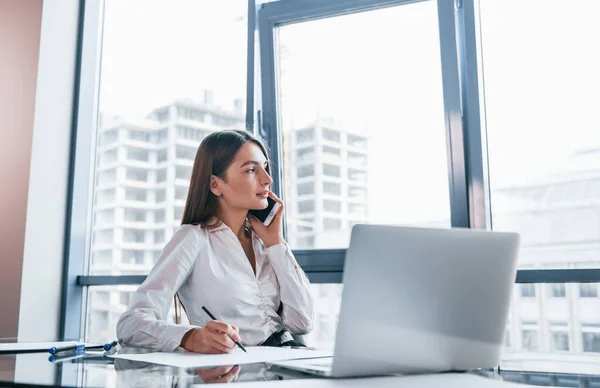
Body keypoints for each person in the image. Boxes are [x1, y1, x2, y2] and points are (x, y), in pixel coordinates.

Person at [116, 129, 314, 354]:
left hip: (287, 362)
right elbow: (130, 324)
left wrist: (276, 243)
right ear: (215, 184)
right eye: (251, 170)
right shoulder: (193, 238)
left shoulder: (264, 242)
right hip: (236, 374)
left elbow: (302, 322)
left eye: (265, 168)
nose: (267, 179)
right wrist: (190, 337)